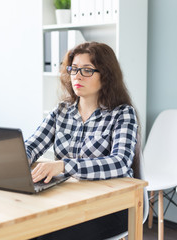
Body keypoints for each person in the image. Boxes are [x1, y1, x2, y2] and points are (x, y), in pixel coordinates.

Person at [25, 41, 140, 240]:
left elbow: (120, 163)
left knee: (43, 235)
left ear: (106, 75)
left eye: (87, 70)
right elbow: (32, 145)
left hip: (112, 206)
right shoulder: (61, 111)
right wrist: (14, 161)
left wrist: (63, 166)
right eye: (74, 69)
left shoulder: (122, 114)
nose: (77, 76)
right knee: (21, 229)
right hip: (69, 200)